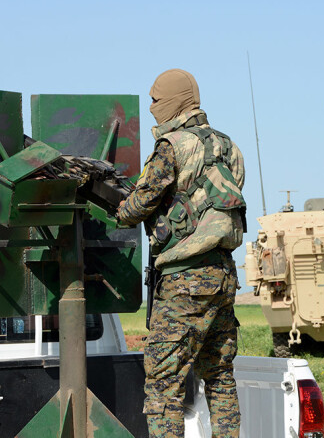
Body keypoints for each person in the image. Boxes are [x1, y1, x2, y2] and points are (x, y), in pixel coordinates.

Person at [117, 69, 245, 438]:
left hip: (185, 281)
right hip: (224, 276)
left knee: (162, 386)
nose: (153, 107)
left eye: (157, 99)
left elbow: (139, 203)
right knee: (220, 377)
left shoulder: (171, 146)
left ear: (174, 100)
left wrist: (119, 209)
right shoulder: (229, 147)